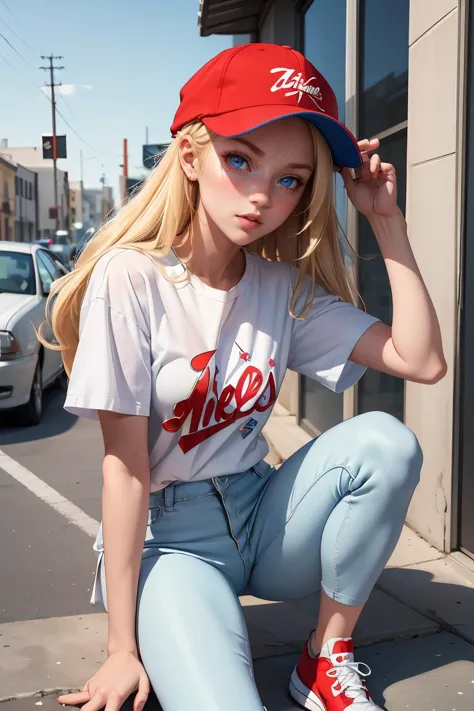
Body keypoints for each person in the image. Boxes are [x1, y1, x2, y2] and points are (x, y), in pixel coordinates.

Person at [43, 43, 446, 711]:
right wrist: (122, 648)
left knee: (386, 441)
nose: (263, 196)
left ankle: (325, 655)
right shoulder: (132, 278)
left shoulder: (281, 288)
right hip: (173, 546)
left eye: (290, 179)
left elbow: (421, 360)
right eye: (240, 159)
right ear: (192, 156)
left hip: (262, 522)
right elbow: (125, 469)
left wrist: (385, 219)